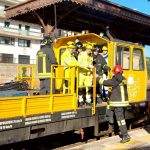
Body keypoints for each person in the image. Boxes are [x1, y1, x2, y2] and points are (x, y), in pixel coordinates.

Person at [98, 65, 131, 143]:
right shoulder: (123, 78)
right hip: (122, 102)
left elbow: (105, 82)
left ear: (115, 72)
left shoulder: (117, 78)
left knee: (120, 120)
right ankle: (110, 117)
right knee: (113, 111)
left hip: (118, 103)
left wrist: (97, 77)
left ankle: (125, 135)